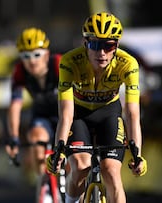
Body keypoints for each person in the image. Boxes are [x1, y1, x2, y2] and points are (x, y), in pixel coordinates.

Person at [46, 12, 148, 203]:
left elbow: (132, 113)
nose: (101, 53)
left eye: (108, 46)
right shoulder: (69, 62)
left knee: (111, 171)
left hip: (109, 113)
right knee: (80, 165)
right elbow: (66, 114)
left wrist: (137, 154)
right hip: (78, 115)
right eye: (95, 45)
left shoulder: (128, 64)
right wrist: (57, 150)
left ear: (116, 46)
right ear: (85, 44)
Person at [5, 27, 62, 179]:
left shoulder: (58, 64)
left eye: (37, 54)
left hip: (67, 114)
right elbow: (15, 106)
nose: (31, 61)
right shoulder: (19, 71)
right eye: (25, 56)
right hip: (42, 114)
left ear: (47, 54)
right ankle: (44, 186)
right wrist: (14, 137)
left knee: (73, 160)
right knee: (36, 140)